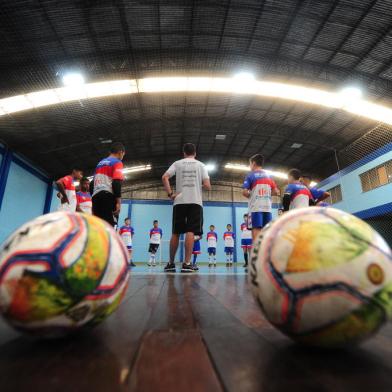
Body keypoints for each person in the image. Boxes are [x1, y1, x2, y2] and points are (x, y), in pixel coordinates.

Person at [162, 143, 211, 273]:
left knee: (176, 232)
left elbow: (164, 177)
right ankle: (187, 264)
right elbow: (207, 185)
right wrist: (197, 185)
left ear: (184, 153)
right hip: (195, 201)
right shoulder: (201, 165)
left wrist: (170, 194)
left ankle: (171, 263)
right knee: (191, 231)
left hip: (179, 201)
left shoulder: (177, 163)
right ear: (195, 153)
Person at [242, 154, 280, 242]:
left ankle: (256, 254)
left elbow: (244, 192)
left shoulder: (251, 175)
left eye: (250, 164)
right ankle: (265, 253)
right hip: (267, 208)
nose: (249, 166)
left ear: (254, 163)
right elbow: (276, 192)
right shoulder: (269, 176)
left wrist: (251, 196)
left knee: (256, 230)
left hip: (255, 208)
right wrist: (266, 195)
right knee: (266, 231)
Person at [90, 142, 125, 226]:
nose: (122, 157)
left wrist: (93, 200)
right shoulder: (117, 162)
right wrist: (118, 202)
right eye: (123, 154)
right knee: (109, 227)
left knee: (98, 227)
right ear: (120, 152)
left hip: (96, 197)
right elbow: (116, 182)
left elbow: (92, 184)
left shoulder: (100, 163)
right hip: (108, 197)